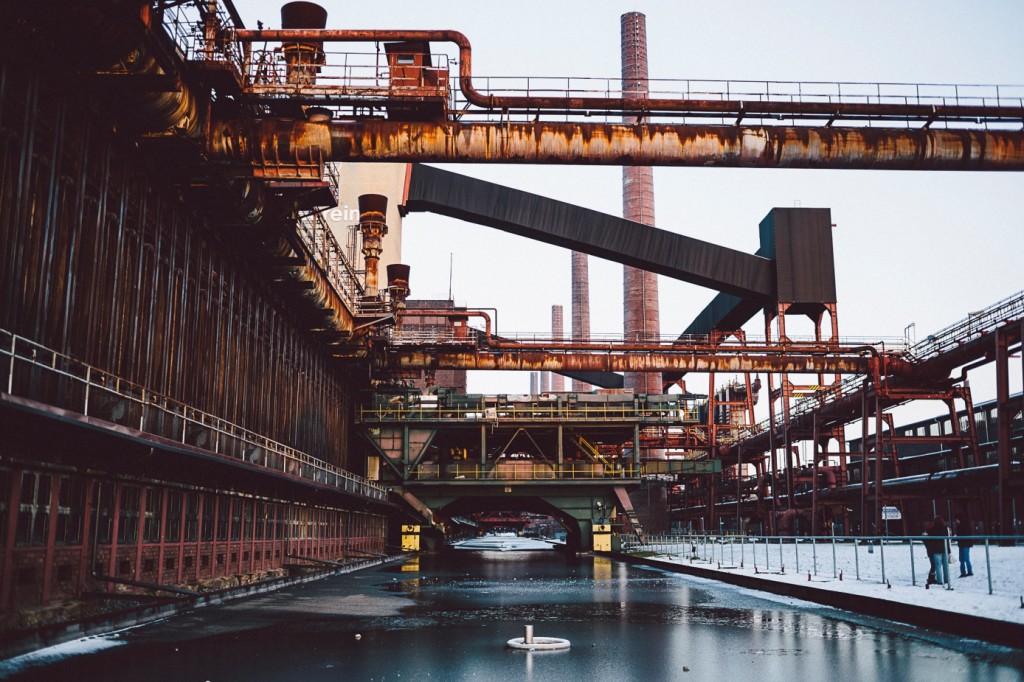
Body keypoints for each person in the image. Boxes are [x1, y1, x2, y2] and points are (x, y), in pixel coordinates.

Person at [923, 516, 951, 587]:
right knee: (945, 565)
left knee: (938, 566)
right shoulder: (946, 528)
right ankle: (947, 580)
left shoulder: (932, 529)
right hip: (945, 548)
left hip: (936, 550)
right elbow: (948, 539)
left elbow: (926, 537)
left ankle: (939, 581)